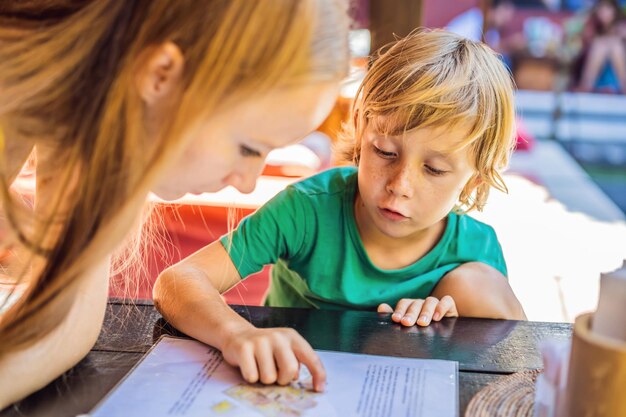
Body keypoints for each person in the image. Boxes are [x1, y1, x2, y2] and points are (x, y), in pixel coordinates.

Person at [0, 0, 349, 408]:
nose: (247, 182)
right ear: (161, 75)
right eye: (248, 147)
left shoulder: (103, 115)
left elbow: (67, 324)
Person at [153, 30, 527, 394]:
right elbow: (176, 282)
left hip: (396, 396)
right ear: (362, 130)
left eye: (434, 170)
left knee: (476, 283)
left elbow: (519, 363)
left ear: (473, 182)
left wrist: (451, 314)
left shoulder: (476, 251)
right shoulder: (308, 209)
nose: (400, 184)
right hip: (288, 387)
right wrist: (237, 334)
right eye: (385, 151)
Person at [575, 0, 626, 93]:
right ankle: (585, 87)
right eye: (601, 9)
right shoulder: (591, 25)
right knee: (600, 45)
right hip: (597, 79)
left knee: (616, 46)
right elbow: (579, 47)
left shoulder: (622, 26)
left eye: (608, 8)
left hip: (617, 78)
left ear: (615, 10)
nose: (604, 12)